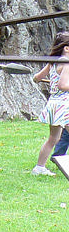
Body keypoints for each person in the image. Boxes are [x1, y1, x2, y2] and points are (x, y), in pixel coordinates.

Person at [30, 32, 69, 176]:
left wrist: (39, 79)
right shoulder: (66, 62)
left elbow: (36, 77)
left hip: (54, 103)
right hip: (65, 105)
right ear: (66, 48)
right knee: (54, 138)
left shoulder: (53, 62)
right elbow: (63, 85)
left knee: (53, 138)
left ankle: (39, 167)